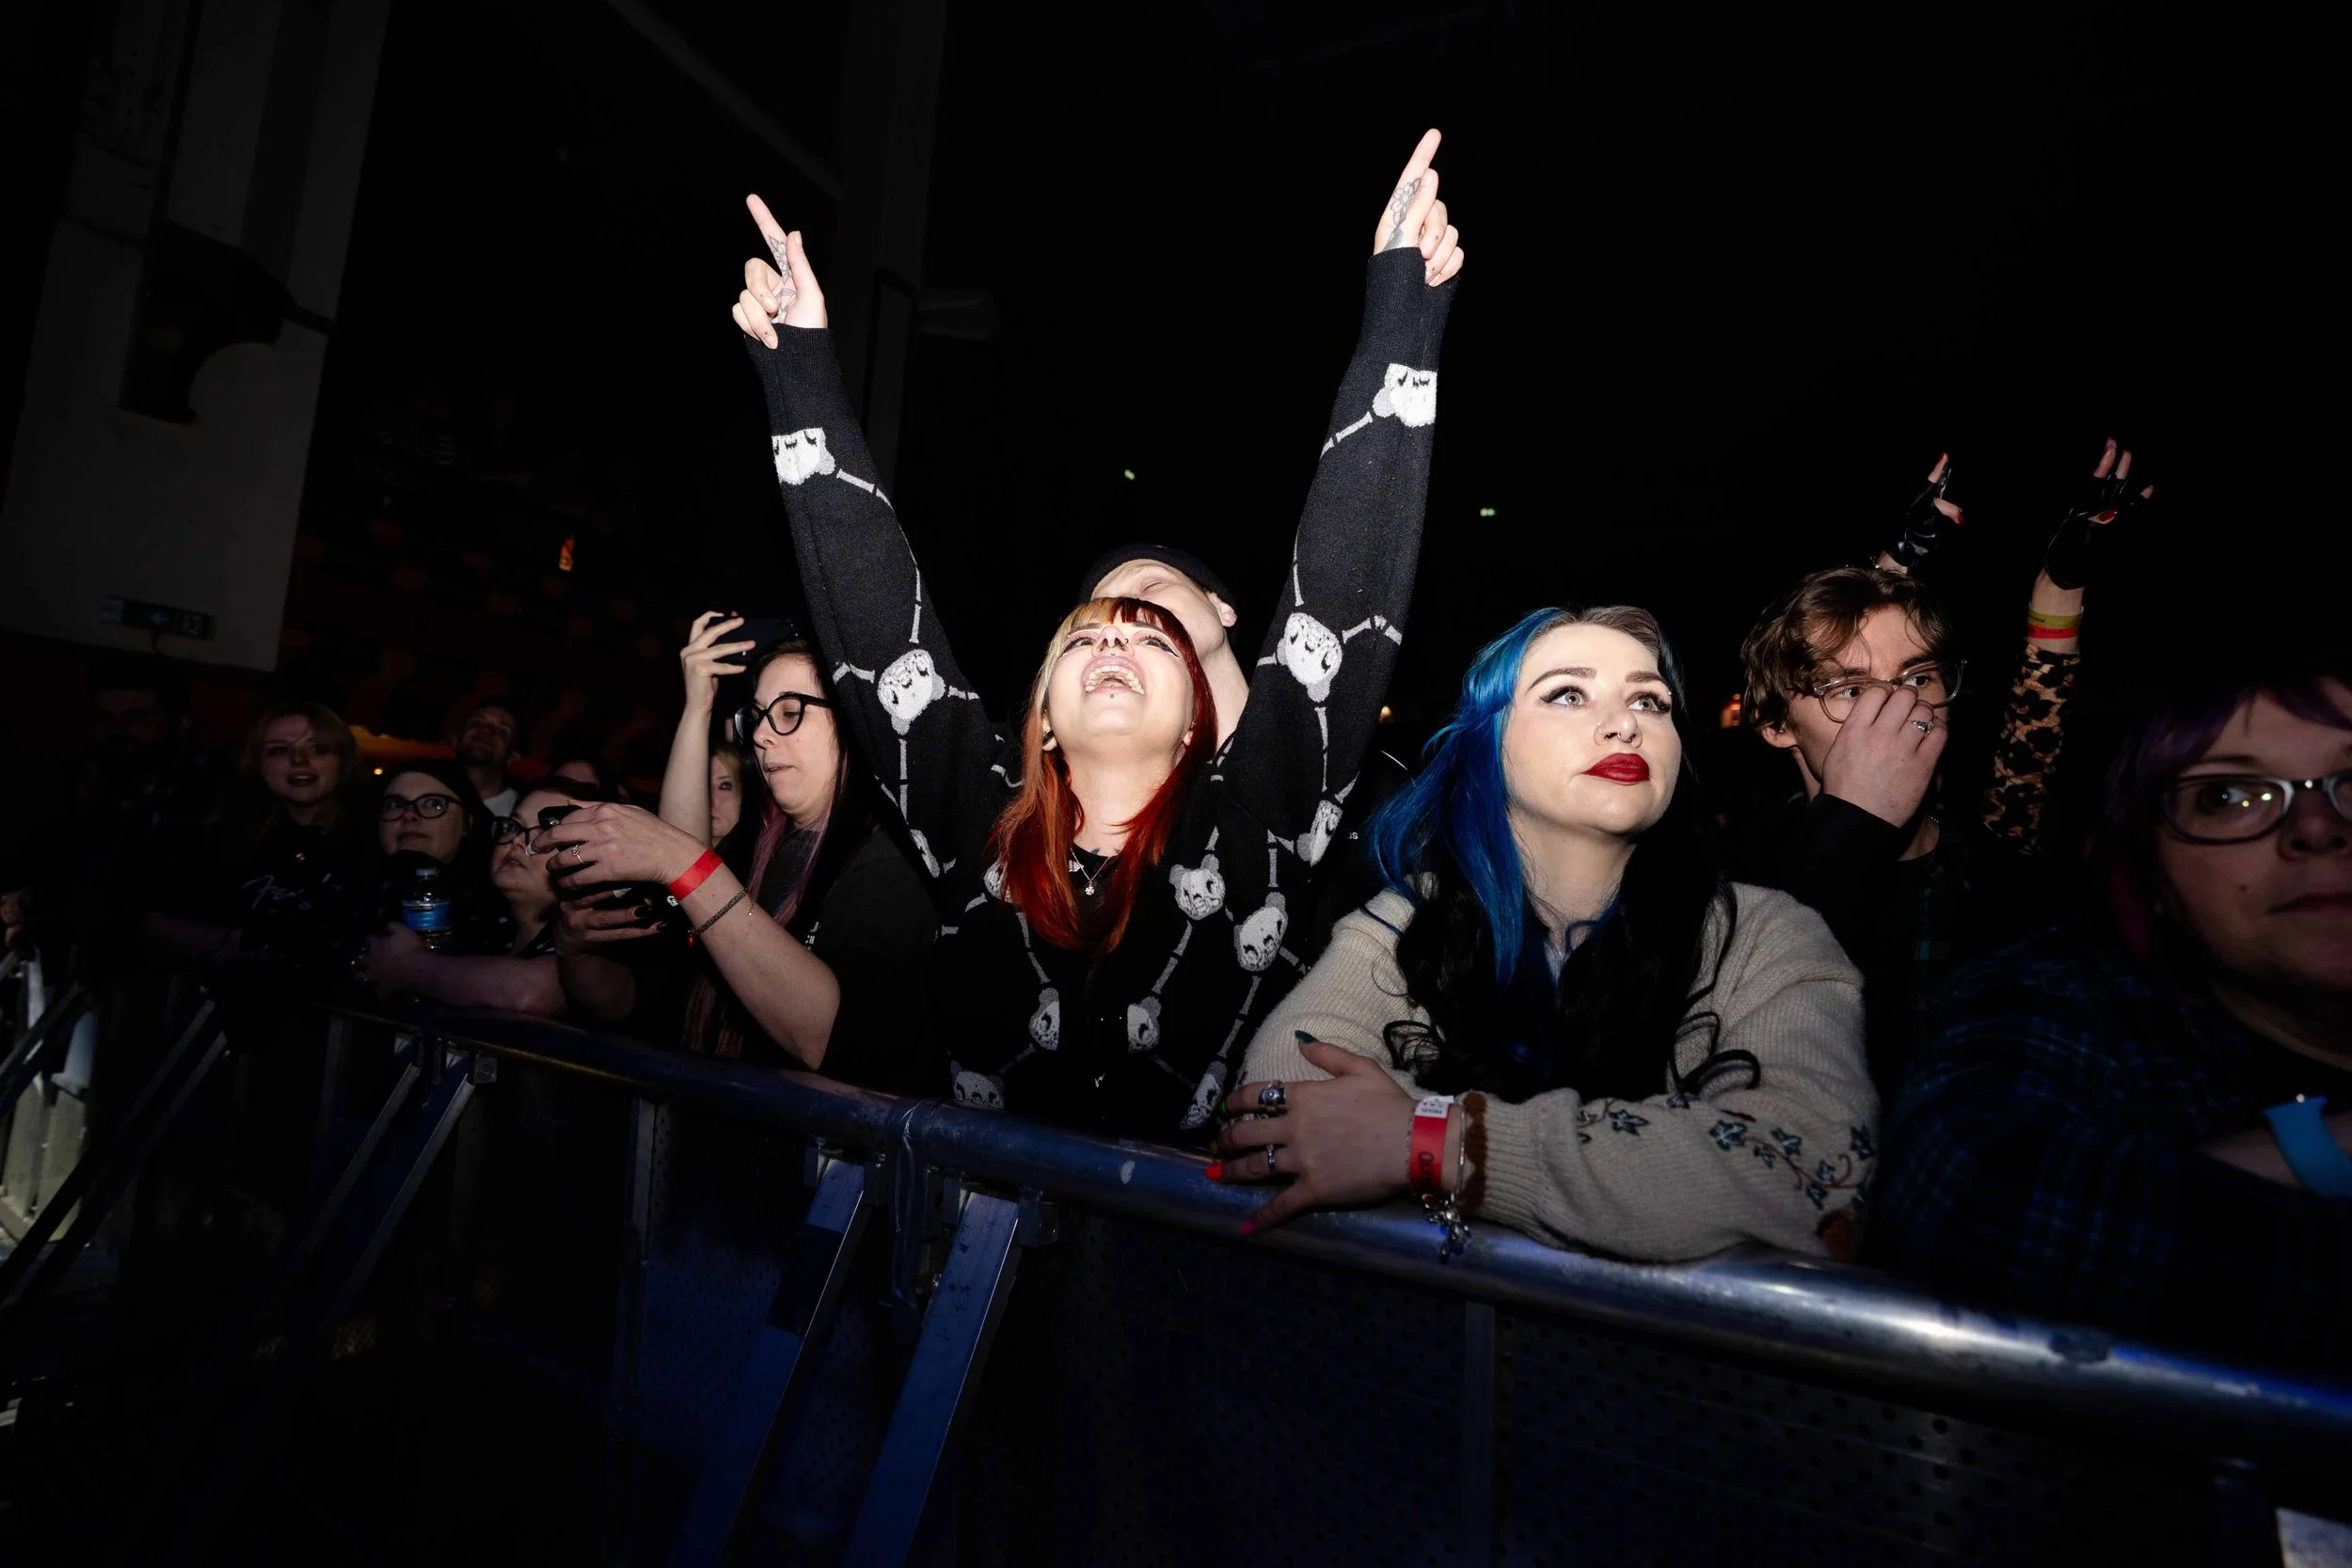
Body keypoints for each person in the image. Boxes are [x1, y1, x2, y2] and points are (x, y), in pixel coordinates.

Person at [723, 131, 1462, 1134]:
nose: (1114, 642)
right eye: (1083, 637)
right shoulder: (970, 818)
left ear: (1203, 708)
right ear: (1037, 710)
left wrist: (1400, 308)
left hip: (1187, 1266)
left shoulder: (1267, 815)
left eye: (1151, 635)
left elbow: (1344, 589)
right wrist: (800, 370)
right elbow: (870, 611)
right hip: (967, 1257)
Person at [1223, 608, 1874, 1259]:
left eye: (1650, 700)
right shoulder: (1407, 921)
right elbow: (1279, 1098)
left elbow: (1812, 1169)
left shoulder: (1768, 936)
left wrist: (1435, 1141)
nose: (1626, 723)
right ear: (1489, 744)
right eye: (1568, 692)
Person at [1872, 662, 2352, 1367]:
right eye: (2227, 794)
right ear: (2147, 872)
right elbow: (1970, 1197)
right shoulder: (2075, 1000)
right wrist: (2321, 1152)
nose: (2317, 826)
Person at [1737, 442, 2153, 1095]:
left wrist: (2059, 586)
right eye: (1850, 690)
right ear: (1776, 725)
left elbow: (2029, 738)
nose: (1898, 705)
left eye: (1920, 677)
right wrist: (1887, 572)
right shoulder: (1736, 883)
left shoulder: (1996, 868)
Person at [542, 638, 938, 1089]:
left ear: (854, 722)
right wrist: (573, 953)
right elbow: (640, 1000)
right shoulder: (753, 846)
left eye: (789, 712)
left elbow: (828, 1038)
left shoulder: (895, 858)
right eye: (756, 716)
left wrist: (680, 860)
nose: (762, 735)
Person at [148, 702, 379, 972]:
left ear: (344, 760)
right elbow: (155, 921)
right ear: (257, 763)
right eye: (279, 750)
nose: (298, 761)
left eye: (318, 748)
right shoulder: (230, 831)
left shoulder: (377, 837)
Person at [357, 776, 607, 1015]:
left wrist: (406, 965)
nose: (517, 841)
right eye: (513, 826)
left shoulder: (596, 939)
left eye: (546, 834)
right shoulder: (479, 926)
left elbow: (530, 990)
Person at [453, 701, 523, 819]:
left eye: (502, 731)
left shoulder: (523, 809)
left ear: (512, 757)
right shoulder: (423, 789)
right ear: (455, 741)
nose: (486, 730)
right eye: (477, 723)